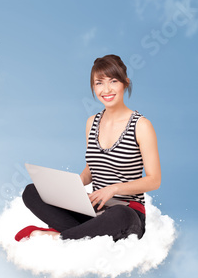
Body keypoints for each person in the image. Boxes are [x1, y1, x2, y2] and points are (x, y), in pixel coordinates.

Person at [16, 54, 161, 242]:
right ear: (93, 87)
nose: (106, 89)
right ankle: (80, 234)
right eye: (99, 83)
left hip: (126, 212)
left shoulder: (141, 126)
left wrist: (113, 188)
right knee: (32, 192)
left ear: (125, 83)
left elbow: (154, 180)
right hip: (93, 208)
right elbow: (91, 169)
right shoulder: (91, 122)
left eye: (113, 81)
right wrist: (71, 184)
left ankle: (60, 237)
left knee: (119, 215)